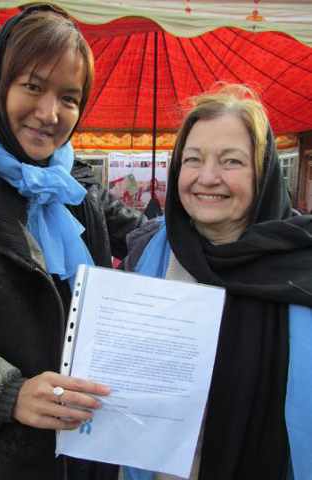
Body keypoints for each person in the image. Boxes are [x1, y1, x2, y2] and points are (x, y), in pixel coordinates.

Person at [0, 5, 142, 479]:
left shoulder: (72, 187)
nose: (49, 114)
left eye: (69, 97)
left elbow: (150, 235)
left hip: (85, 454)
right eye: (32, 86)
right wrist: (3, 392)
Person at [122, 84, 312, 480]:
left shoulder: (301, 266)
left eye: (231, 162)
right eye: (192, 159)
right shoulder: (147, 257)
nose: (207, 178)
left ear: (263, 173)